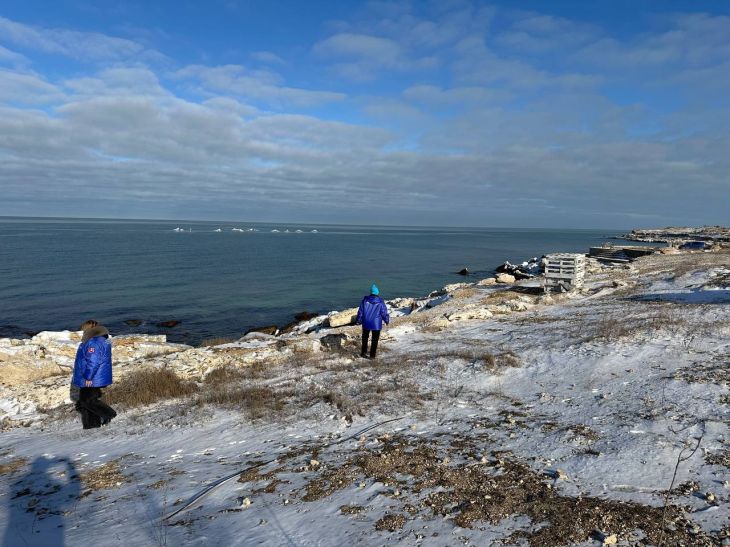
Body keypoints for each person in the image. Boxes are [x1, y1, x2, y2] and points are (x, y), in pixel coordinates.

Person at [71, 319, 116, 429]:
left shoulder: (94, 342)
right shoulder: (101, 340)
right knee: (87, 401)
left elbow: (93, 362)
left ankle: (109, 414)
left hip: (91, 377)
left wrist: (88, 377)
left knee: (87, 401)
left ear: (89, 329)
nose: (82, 331)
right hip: (95, 376)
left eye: (83, 329)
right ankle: (92, 425)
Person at [355, 284, 390, 359]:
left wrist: (358, 320)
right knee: (375, 340)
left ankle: (363, 353)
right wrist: (386, 320)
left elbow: (360, 312)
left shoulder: (364, 301)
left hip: (366, 322)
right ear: (377, 293)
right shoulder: (380, 302)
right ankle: (372, 356)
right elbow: (384, 313)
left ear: (371, 292)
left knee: (365, 338)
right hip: (376, 324)